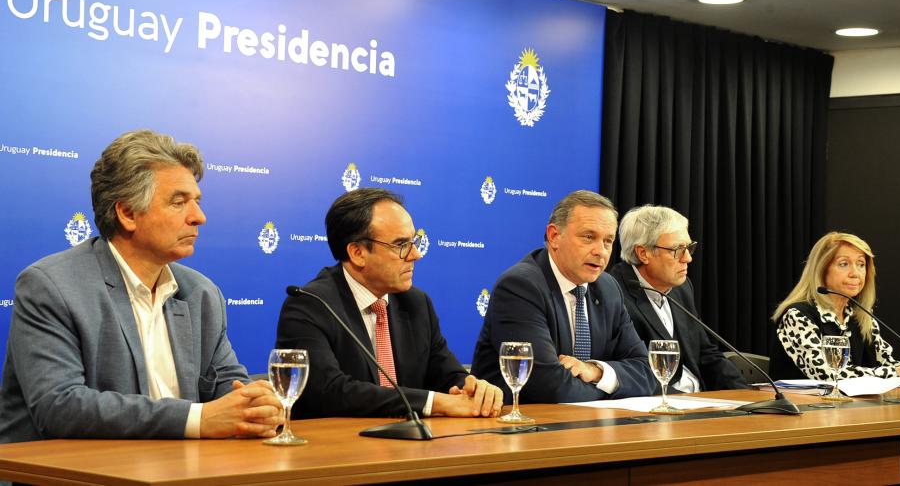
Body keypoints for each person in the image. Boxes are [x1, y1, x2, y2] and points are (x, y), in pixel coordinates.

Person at [0, 130, 282, 444]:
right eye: (179, 203)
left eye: (197, 202)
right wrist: (198, 419)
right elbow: (60, 406)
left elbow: (230, 387)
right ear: (128, 213)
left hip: (182, 471)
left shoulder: (201, 293)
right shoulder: (52, 286)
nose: (199, 217)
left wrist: (256, 408)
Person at [276, 188, 503, 419]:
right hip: (339, 447)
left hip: (411, 446)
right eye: (401, 245)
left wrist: (475, 390)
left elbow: (448, 375)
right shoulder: (310, 306)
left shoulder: (416, 303)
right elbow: (329, 392)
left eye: (414, 241)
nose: (416, 254)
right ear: (357, 253)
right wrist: (434, 402)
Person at [471, 190, 656, 403]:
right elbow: (547, 385)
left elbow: (647, 371)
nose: (601, 251)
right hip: (523, 425)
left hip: (586, 427)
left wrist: (596, 372)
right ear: (554, 236)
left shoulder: (608, 288)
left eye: (608, 241)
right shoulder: (520, 286)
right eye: (589, 237)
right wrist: (612, 390)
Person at [608, 205, 747, 392]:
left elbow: (706, 355)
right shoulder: (614, 293)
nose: (687, 258)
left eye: (689, 248)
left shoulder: (681, 287)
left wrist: (744, 394)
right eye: (677, 250)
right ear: (643, 253)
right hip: (659, 406)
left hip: (697, 400)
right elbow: (633, 372)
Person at [770, 231, 900, 381]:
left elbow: (886, 363)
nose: (855, 273)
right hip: (801, 411)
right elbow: (828, 375)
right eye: (844, 264)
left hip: (849, 410)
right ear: (821, 270)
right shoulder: (797, 315)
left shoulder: (860, 316)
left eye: (861, 264)